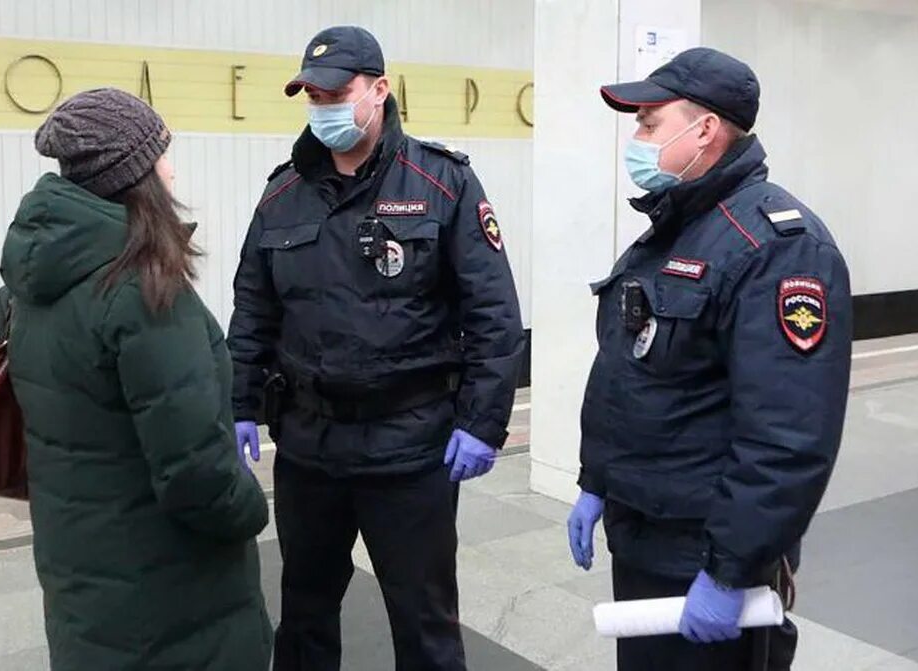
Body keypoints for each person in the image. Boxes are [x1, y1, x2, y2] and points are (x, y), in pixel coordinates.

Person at [227, 25, 525, 671]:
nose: (324, 108)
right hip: (309, 444)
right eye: (312, 96)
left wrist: (482, 421)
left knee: (422, 615)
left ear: (380, 90)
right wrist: (240, 400)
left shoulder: (443, 182)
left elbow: (493, 311)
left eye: (337, 93)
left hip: (411, 444)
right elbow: (254, 304)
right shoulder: (282, 192)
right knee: (304, 608)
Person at [565, 48, 852, 671]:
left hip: (707, 558)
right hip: (642, 533)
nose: (636, 139)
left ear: (705, 130)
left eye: (648, 123)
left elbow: (787, 438)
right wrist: (597, 481)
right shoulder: (675, 227)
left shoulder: (779, 250)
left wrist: (731, 571)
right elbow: (628, 374)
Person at [0, 88, 272, 671]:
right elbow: (196, 474)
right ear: (136, 174)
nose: (172, 168)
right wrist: (251, 507)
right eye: (163, 154)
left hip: (81, 568)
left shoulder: (35, 281)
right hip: (170, 594)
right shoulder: (145, 293)